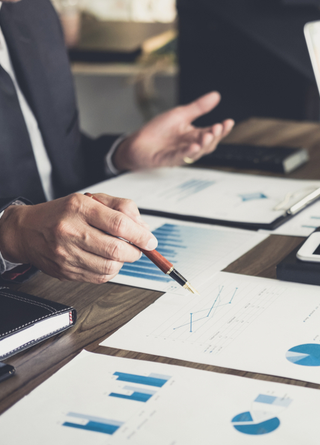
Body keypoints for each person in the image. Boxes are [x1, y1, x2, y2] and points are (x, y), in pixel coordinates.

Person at [0, 0, 234, 284]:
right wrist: (12, 234)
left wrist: (120, 154)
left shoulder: (32, 10)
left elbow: (48, 156)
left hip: (76, 280)